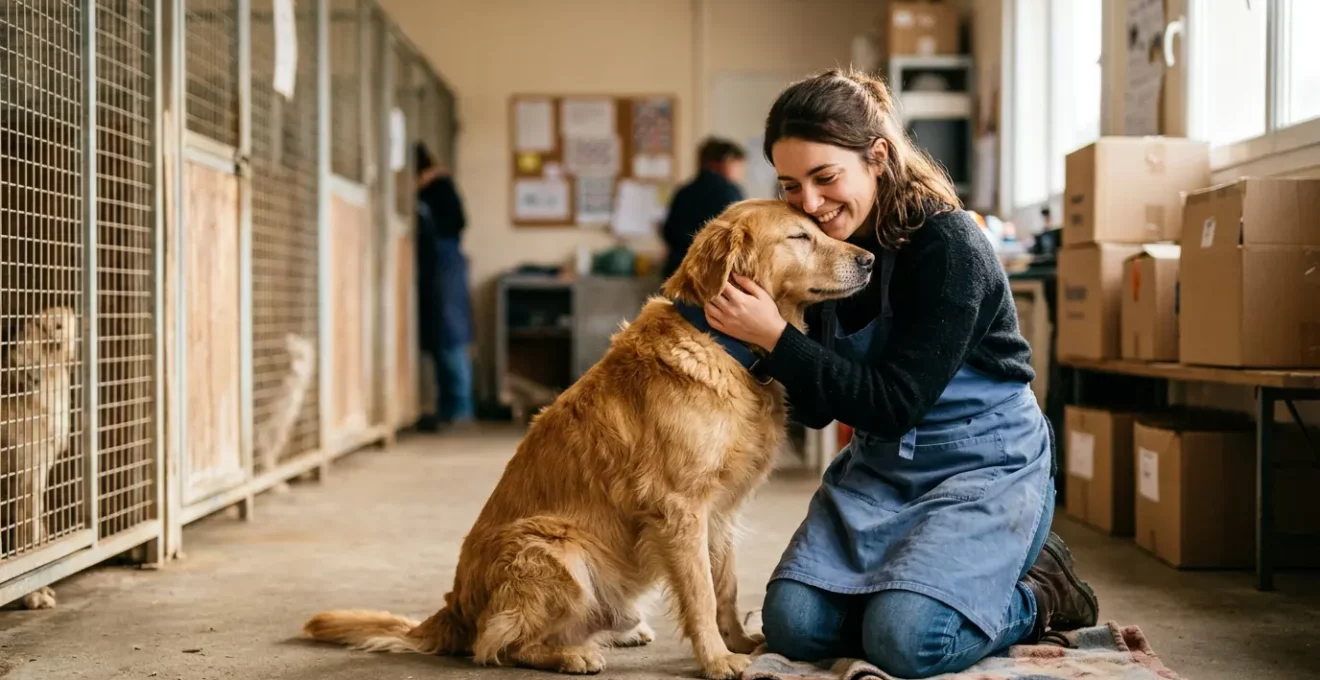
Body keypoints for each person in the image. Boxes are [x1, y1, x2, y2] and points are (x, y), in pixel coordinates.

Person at [701, 68, 1098, 678]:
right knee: (793, 626)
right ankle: (920, 589)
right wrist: (751, 341)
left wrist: (776, 337)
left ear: (878, 158)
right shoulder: (825, 253)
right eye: (790, 185)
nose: (810, 203)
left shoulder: (950, 246)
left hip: (981, 465)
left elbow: (893, 405)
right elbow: (818, 411)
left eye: (825, 177)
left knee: (908, 641)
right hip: (885, 467)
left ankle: (1042, 591)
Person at [415, 143, 475, 430]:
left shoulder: (439, 187)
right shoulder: (435, 188)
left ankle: (461, 409)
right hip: (439, 269)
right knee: (443, 341)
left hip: (446, 268)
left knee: (450, 338)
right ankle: (451, 408)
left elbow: (457, 224)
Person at [660, 137, 747, 278]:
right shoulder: (729, 191)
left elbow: (668, 232)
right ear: (724, 162)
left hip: (679, 272)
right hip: (712, 275)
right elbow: (741, 236)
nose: (741, 172)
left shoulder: (683, 191)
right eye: (738, 165)